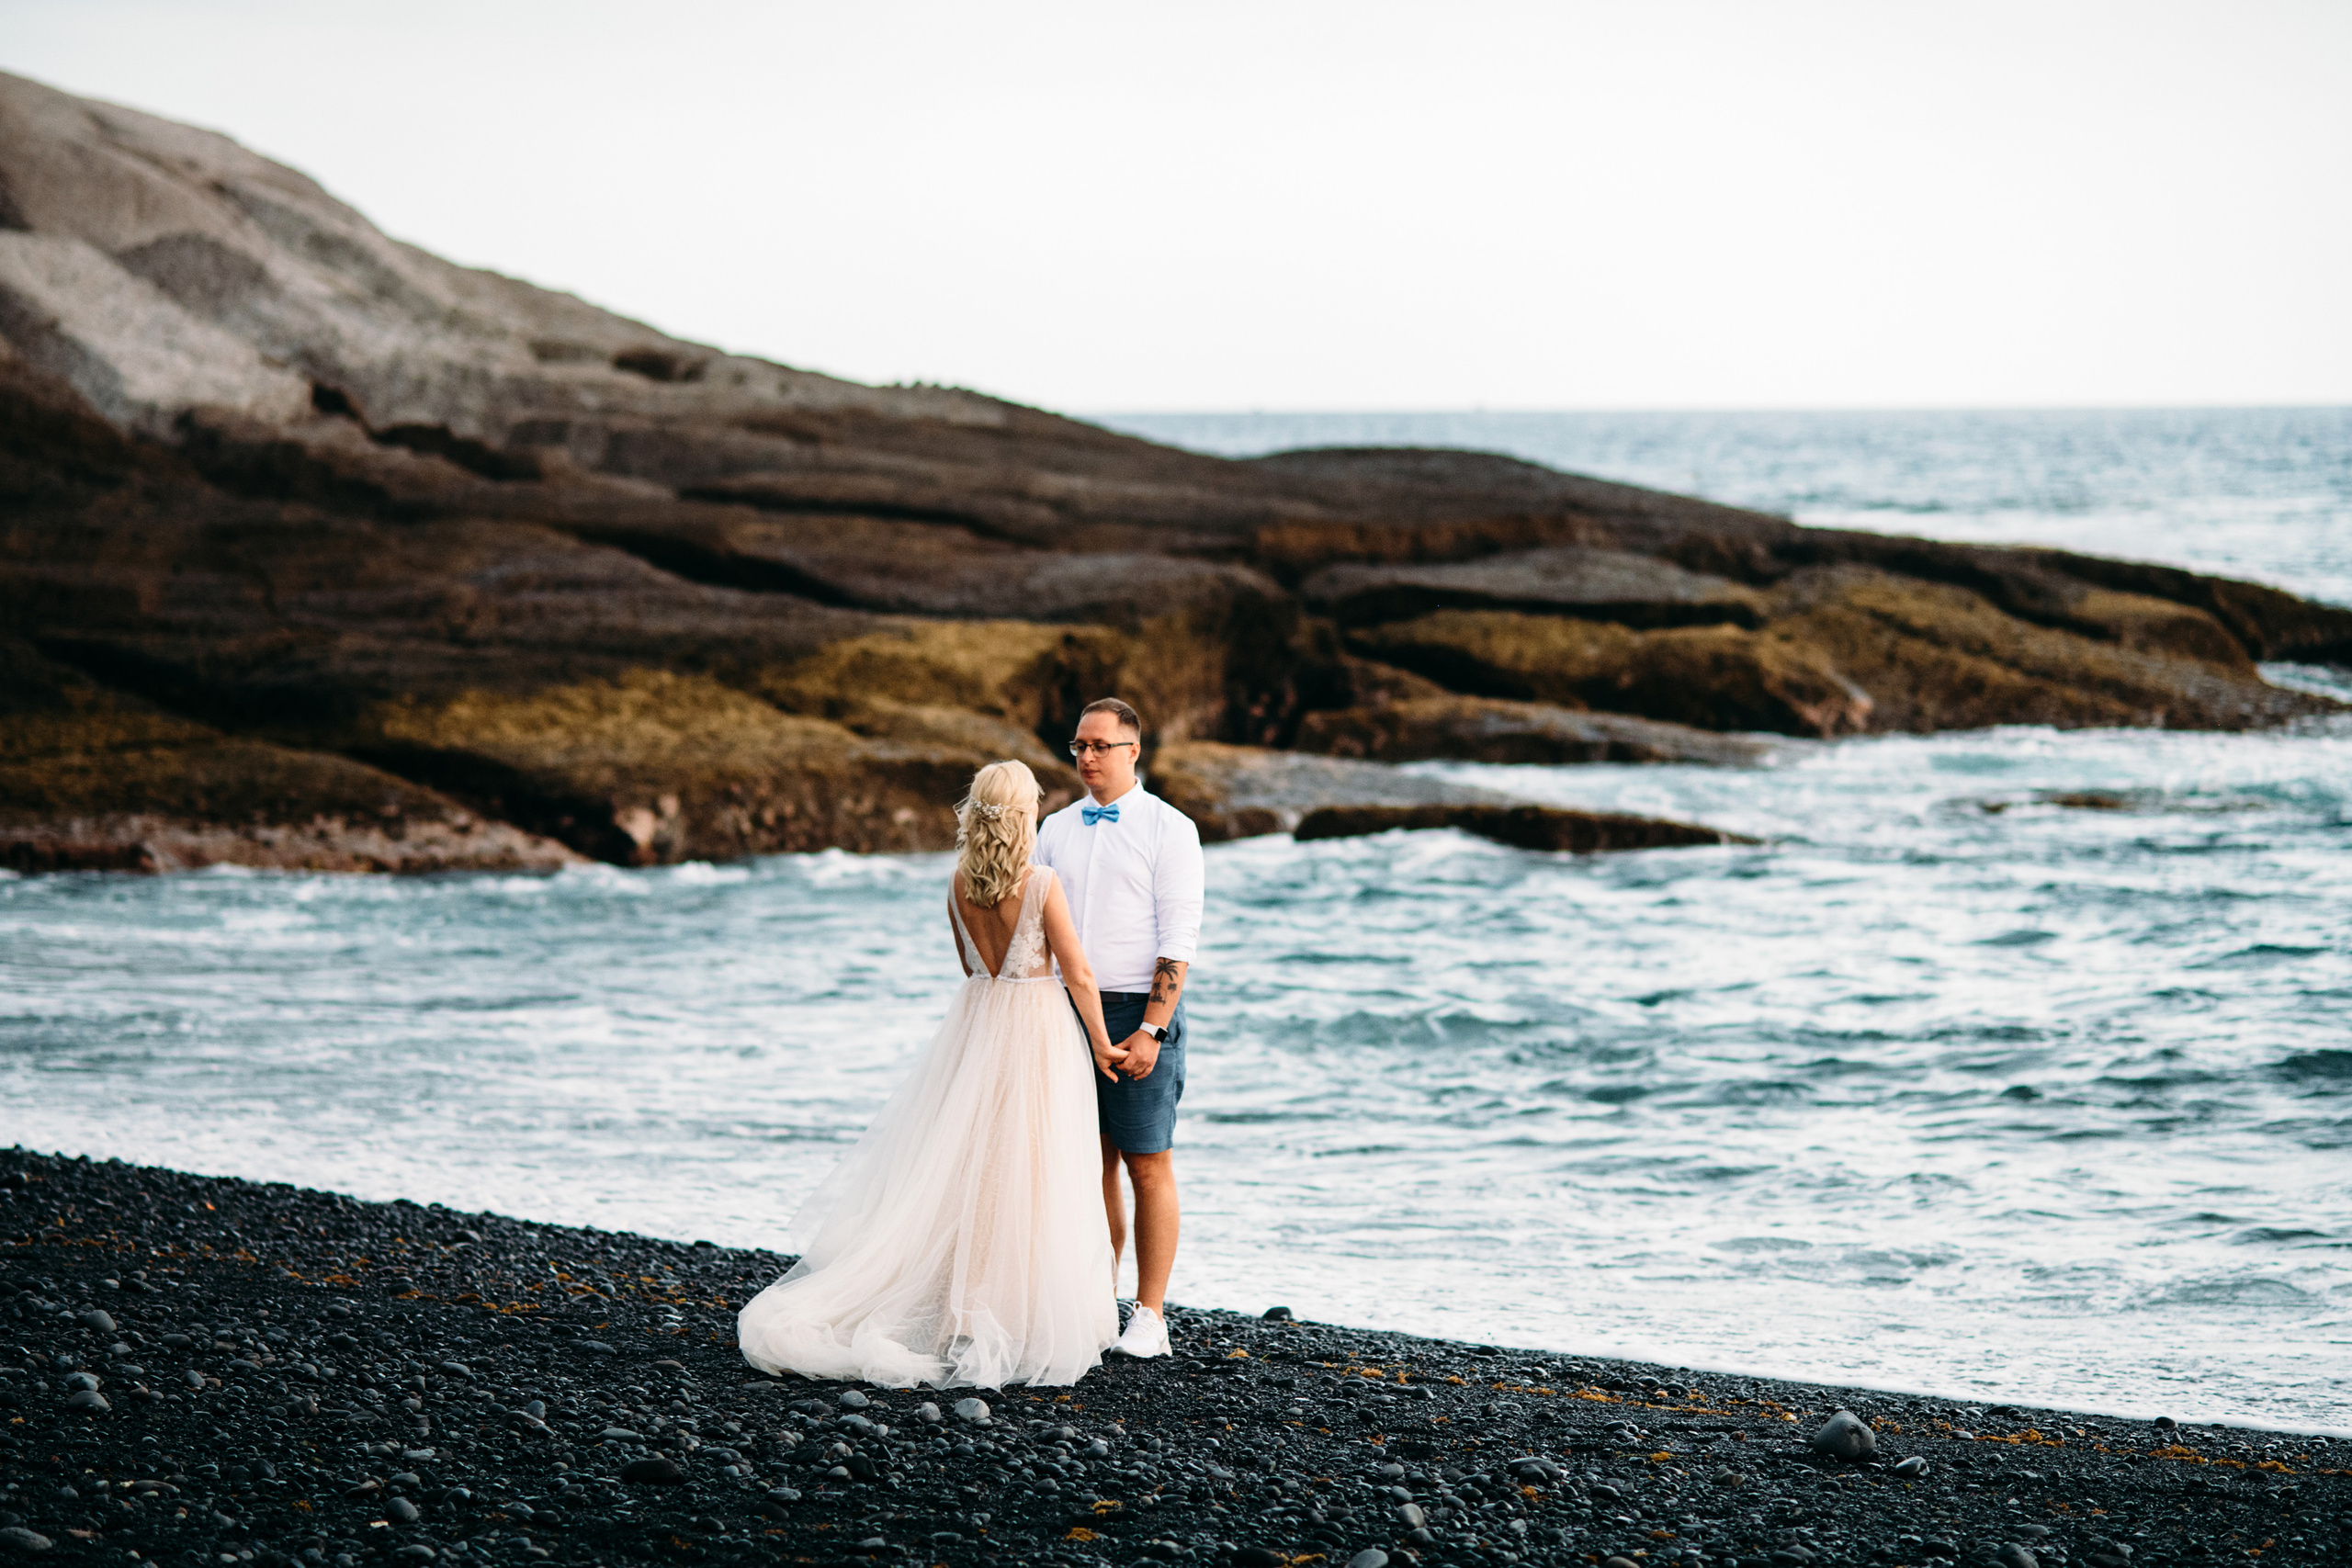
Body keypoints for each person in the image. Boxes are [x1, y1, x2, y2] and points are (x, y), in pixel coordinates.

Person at [735, 760, 1125, 1388]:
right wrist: (1103, 1044)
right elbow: (1077, 974)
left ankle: (959, 1304)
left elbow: (971, 963)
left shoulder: (956, 884)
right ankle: (1013, 1310)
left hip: (975, 1026)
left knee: (971, 1165)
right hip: (1036, 1028)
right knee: (1030, 1164)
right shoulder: (1043, 883)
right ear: (1024, 815)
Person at [1033, 697, 1204, 1360]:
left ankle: (1151, 1314)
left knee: (1147, 1160)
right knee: (1089, 1160)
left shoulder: (1171, 829)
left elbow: (1178, 939)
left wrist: (1152, 1031)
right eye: (1079, 745)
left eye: (1101, 745)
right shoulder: (1055, 828)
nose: (1087, 757)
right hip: (1069, 1009)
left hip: (1141, 1011)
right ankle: (1094, 1299)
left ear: (1134, 750)